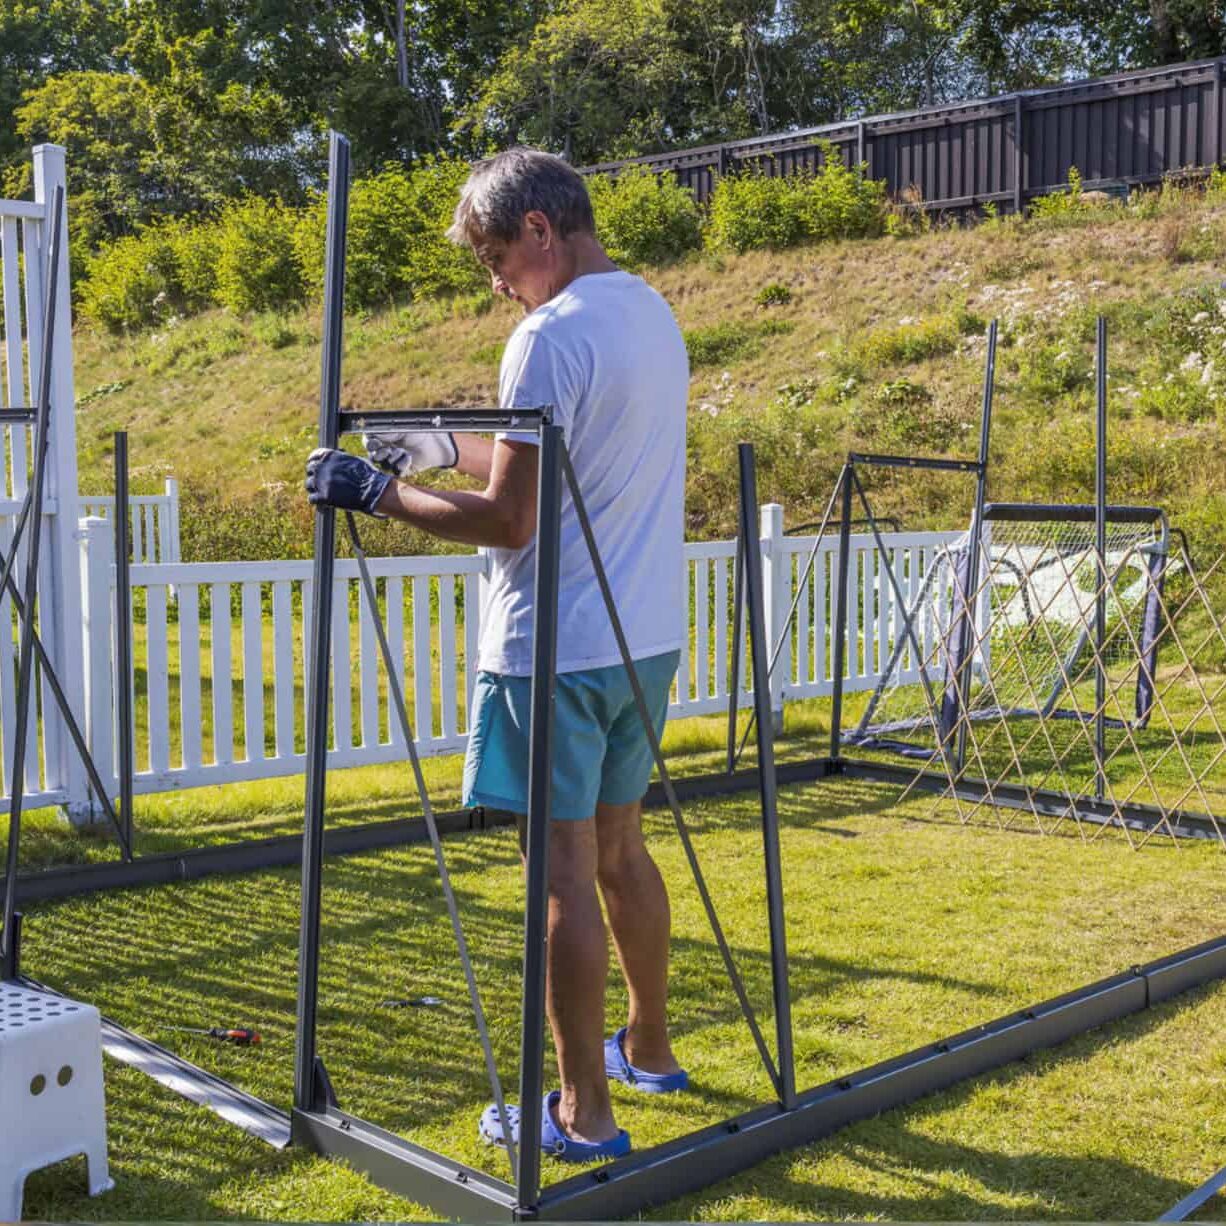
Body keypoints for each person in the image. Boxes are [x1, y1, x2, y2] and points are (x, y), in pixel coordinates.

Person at [304, 147, 689, 1162]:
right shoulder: (648, 310)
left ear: (537, 231)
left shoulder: (545, 336)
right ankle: (648, 1047)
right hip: (641, 638)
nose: (494, 285)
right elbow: (549, 460)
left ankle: (581, 1110)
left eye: (492, 262)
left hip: (551, 649)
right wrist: (434, 446)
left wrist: (373, 492)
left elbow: (510, 519)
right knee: (619, 850)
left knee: (557, 873)